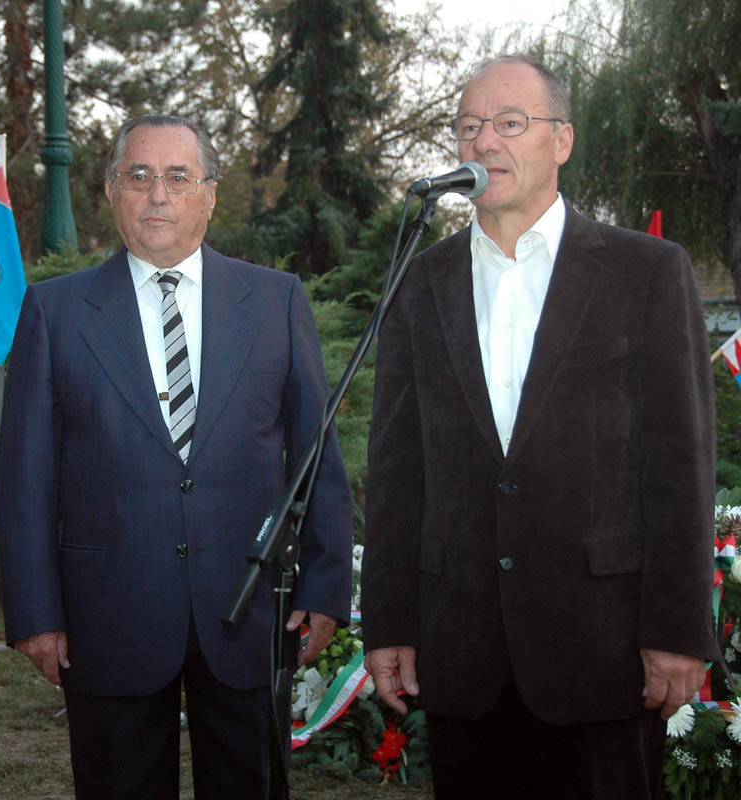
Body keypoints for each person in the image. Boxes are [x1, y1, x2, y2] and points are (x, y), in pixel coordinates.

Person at [361, 55, 718, 799]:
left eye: (510, 122)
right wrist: (390, 623)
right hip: (463, 656)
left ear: (562, 140)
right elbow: (397, 470)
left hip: (604, 651)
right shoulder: (419, 282)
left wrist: (678, 630)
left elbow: (680, 464)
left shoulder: (646, 272)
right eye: (469, 126)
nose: (484, 141)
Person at [0, 113, 352, 800]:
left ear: (209, 194)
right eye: (139, 176)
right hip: (109, 615)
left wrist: (324, 586)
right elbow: (25, 481)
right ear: (111, 191)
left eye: (178, 177)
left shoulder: (276, 300)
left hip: (249, 610)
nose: (158, 194)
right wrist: (36, 611)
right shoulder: (53, 312)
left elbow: (318, 460)